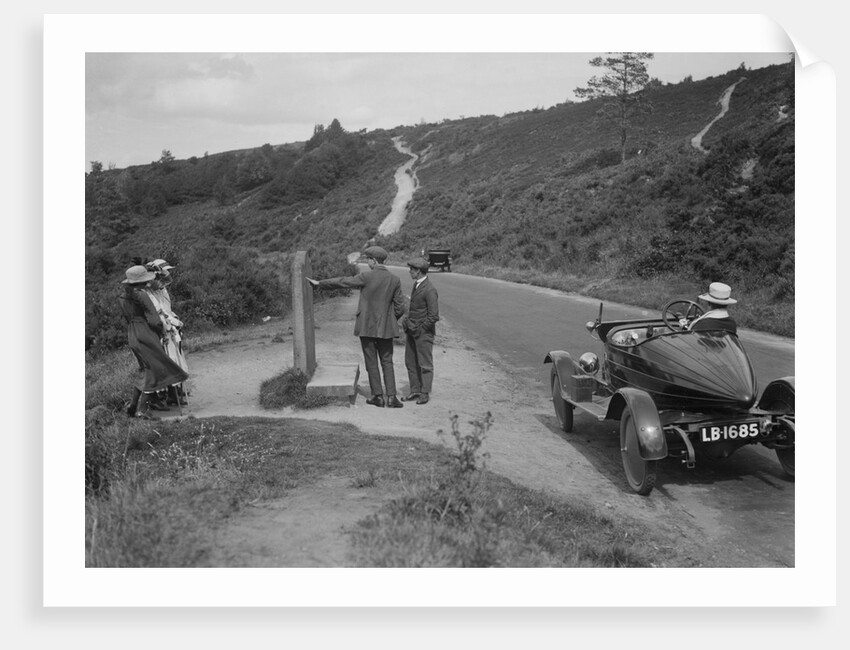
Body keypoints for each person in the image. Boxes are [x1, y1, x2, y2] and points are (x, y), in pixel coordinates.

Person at [307, 246, 407, 408]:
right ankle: (392, 397)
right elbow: (400, 307)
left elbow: (343, 282)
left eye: (368, 259)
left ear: (374, 261)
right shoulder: (394, 279)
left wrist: (320, 283)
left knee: (371, 361)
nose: (367, 263)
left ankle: (378, 397)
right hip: (386, 328)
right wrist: (389, 320)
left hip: (366, 326)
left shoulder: (366, 276)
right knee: (387, 362)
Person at [118, 265, 189, 418]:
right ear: (141, 281)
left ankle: (133, 406)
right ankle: (142, 410)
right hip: (146, 332)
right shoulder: (142, 295)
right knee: (154, 369)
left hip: (132, 332)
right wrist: (162, 331)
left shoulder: (123, 297)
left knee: (144, 368)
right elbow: (154, 320)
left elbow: (126, 318)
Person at [399, 257, 440, 405]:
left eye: (412, 269)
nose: (410, 271)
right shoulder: (417, 285)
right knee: (410, 362)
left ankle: (424, 393)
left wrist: (421, 329)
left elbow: (434, 316)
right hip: (412, 331)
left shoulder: (430, 289)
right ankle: (415, 390)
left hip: (423, 333)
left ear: (419, 271)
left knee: (425, 364)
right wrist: (408, 322)